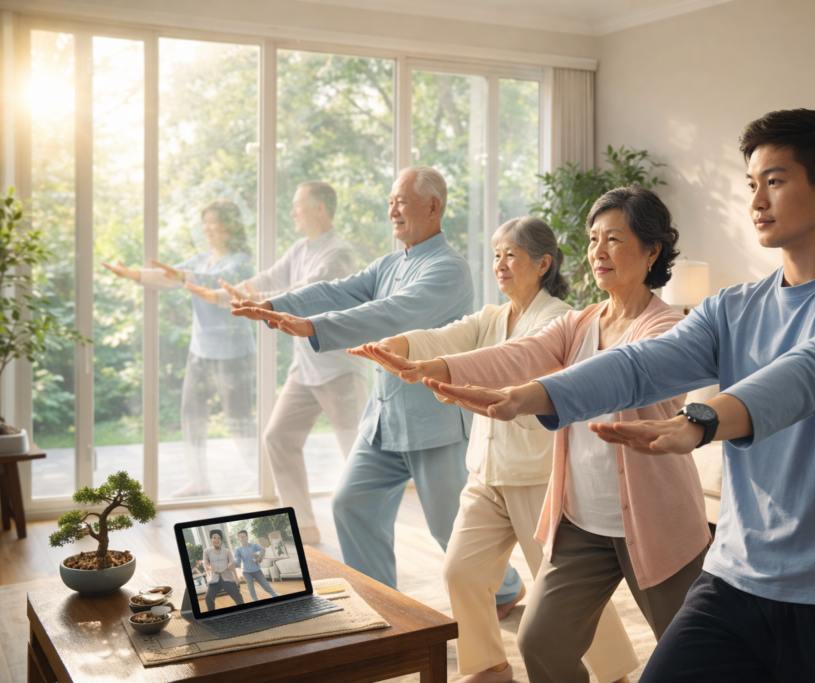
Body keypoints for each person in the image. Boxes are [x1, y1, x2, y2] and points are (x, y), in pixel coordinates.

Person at [430, 110, 815, 682]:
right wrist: (530, 396)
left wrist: (702, 419)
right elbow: (641, 363)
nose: (757, 201)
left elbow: (809, 373)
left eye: (776, 181)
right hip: (736, 579)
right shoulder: (731, 308)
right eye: (751, 184)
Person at [388, 186, 710, 683]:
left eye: (614, 239)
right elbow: (517, 353)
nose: (598, 251)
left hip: (655, 523)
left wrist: (525, 396)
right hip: (584, 524)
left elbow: (615, 376)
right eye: (593, 238)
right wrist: (437, 366)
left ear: (652, 251)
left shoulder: (669, 327)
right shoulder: (581, 322)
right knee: (539, 641)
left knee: (691, 657)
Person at [352, 216, 639, 683]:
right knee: (461, 572)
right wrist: (395, 346)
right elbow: (445, 337)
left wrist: (435, 366)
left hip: (536, 477)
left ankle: (611, 674)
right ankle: (488, 667)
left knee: (561, 591)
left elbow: (506, 365)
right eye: (496, 255)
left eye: (511, 255)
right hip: (485, 475)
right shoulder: (491, 317)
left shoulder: (558, 320)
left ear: (542, 263)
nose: (499, 265)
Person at [230, 166, 524, 612]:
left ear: (432, 206)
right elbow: (337, 290)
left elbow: (392, 314)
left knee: (451, 529)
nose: (392, 210)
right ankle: (384, 605)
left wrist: (312, 326)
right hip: (384, 420)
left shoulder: (450, 269)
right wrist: (274, 305)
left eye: (401, 201)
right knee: (352, 504)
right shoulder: (390, 263)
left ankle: (505, 589)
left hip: (434, 421)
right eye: (390, 201)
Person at [186, 181, 368, 543]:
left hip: (338, 370)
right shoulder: (301, 248)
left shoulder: (338, 254)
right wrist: (225, 295)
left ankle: (365, 531)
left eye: (298, 205)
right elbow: (267, 280)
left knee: (359, 455)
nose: (292, 212)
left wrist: (255, 302)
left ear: (319, 209)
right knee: (279, 437)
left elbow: (306, 295)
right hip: (305, 367)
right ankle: (304, 527)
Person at [102, 199, 257, 498]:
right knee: (192, 416)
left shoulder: (240, 261)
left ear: (231, 225)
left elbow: (213, 282)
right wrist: (134, 275)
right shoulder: (201, 259)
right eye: (205, 222)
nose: (207, 228)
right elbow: (170, 277)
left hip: (233, 354)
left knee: (238, 421)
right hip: (200, 352)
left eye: (213, 222)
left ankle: (264, 475)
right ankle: (199, 481)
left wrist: (181, 275)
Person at [203, 529, 245, 610]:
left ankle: (244, 612)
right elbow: (205, 561)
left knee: (237, 595)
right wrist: (209, 567)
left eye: (218, 538)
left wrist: (234, 577)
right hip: (214, 580)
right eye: (214, 538)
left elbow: (231, 563)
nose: (216, 540)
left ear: (221, 540)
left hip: (227, 578)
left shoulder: (227, 551)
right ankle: (212, 616)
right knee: (208, 598)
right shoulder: (207, 551)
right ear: (211, 539)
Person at [234, 529, 279, 601]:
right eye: (241, 537)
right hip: (246, 572)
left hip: (257, 570)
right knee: (251, 590)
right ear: (238, 539)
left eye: (244, 536)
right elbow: (237, 562)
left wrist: (260, 559)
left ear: (247, 537)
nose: (243, 538)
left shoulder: (254, 545)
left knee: (266, 586)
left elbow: (263, 550)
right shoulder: (238, 550)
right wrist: (235, 564)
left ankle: (276, 596)